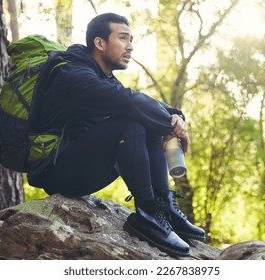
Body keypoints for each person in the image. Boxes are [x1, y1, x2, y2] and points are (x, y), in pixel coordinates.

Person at [27, 12, 205, 257]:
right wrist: (170, 124)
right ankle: (147, 213)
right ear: (99, 43)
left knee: (145, 119)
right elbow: (127, 102)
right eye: (123, 38)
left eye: (131, 40)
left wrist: (176, 117)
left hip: (82, 165)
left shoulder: (101, 75)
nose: (130, 47)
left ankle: (163, 205)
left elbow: (139, 102)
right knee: (130, 122)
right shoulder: (72, 74)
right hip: (56, 171)